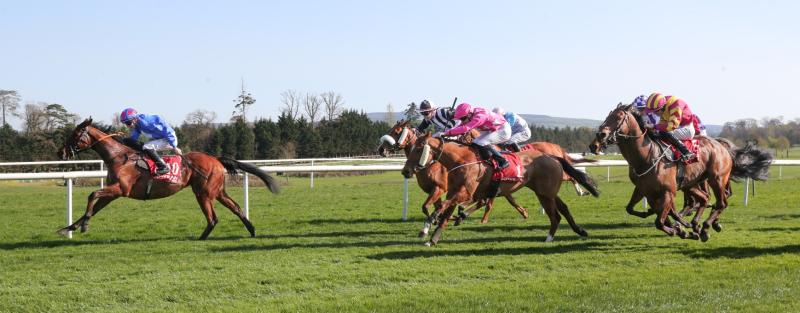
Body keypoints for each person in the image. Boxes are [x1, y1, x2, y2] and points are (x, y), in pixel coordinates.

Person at [443, 103, 511, 169]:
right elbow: (461, 126)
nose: (461, 121)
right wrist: (446, 133)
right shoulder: (472, 114)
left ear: (469, 114)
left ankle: (503, 160)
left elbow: (465, 128)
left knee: (481, 143)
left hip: (503, 130)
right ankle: (488, 158)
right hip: (494, 129)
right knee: (475, 143)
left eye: (462, 118)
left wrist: (446, 133)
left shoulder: (479, 117)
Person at [119, 108, 181, 175]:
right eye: (125, 123)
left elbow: (166, 130)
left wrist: (174, 146)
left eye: (128, 123)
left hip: (168, 139)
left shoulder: (149, 122)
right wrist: (125, 140)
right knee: (129, 141)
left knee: (147, 147)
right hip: (159, 139)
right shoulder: (138, 123)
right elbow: (134, 137)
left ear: (134, 119)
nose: (127, 126)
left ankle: (163, 167)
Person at [644, 93, 698, 161]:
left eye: (655, 112)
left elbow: (672, 126)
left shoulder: (676, 105)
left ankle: (686, 152)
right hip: (676, 127)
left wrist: (654, 126)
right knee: (657, 134)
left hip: (687, 129)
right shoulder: (664, 106)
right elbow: (662, 124)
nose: (654, 114)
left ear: (661, 108)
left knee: (666, 133)